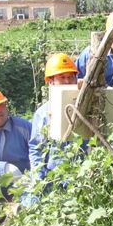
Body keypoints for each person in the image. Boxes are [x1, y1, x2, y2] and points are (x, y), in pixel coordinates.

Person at [29, 53, 85, 181]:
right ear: (50, 82)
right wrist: (38, 179)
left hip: (82, 174)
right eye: (62, 77)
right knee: (30, 200)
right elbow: (36, 149)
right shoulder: (43, 113)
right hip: (54, 176)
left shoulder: (86, 107)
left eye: (71, 77)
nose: (67, 81)